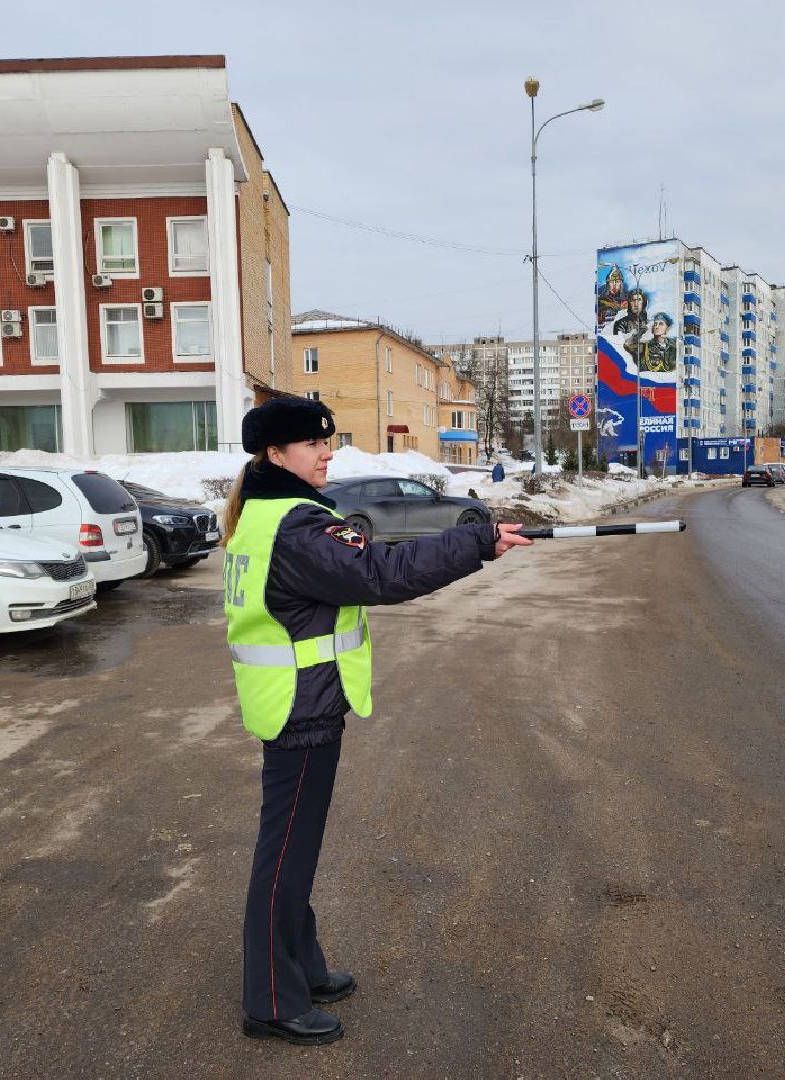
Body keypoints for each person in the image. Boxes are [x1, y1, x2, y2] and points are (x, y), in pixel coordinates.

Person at [222, 397, 531, 1046]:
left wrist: (470, 544)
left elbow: (371, 553)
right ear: (276, 454)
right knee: (283, 859)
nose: (326, 451)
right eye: (312, 444)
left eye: (325, 442)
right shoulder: (296, 527)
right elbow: (380, 574)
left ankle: (301, 968)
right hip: (299, 709)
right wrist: (472, 538)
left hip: (295, 703)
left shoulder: (268, 515)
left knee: (293, 854)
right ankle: (272, 1000)